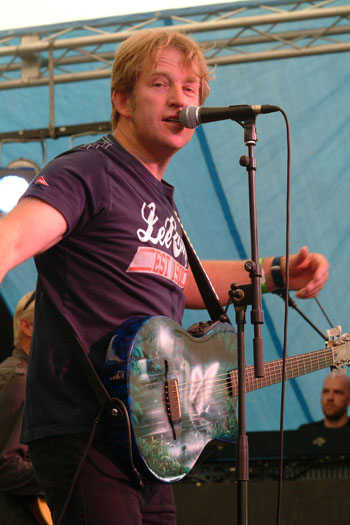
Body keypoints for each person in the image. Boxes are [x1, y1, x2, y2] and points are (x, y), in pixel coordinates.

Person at [0, 29, 329, 524]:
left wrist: (275, 274)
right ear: (122, 100)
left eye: (191, 88)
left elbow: (185, 281)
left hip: (152, 434)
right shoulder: (89, 170)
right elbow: (13, 239)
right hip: (88, 424)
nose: (180, 98)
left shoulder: (159, 198)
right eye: (160, 83)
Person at [0, 291, 45, 524]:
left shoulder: (33, 378)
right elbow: (5, 467)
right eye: (49, 320)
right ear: (26, 326)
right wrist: (59, 471)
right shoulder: (19, 380)